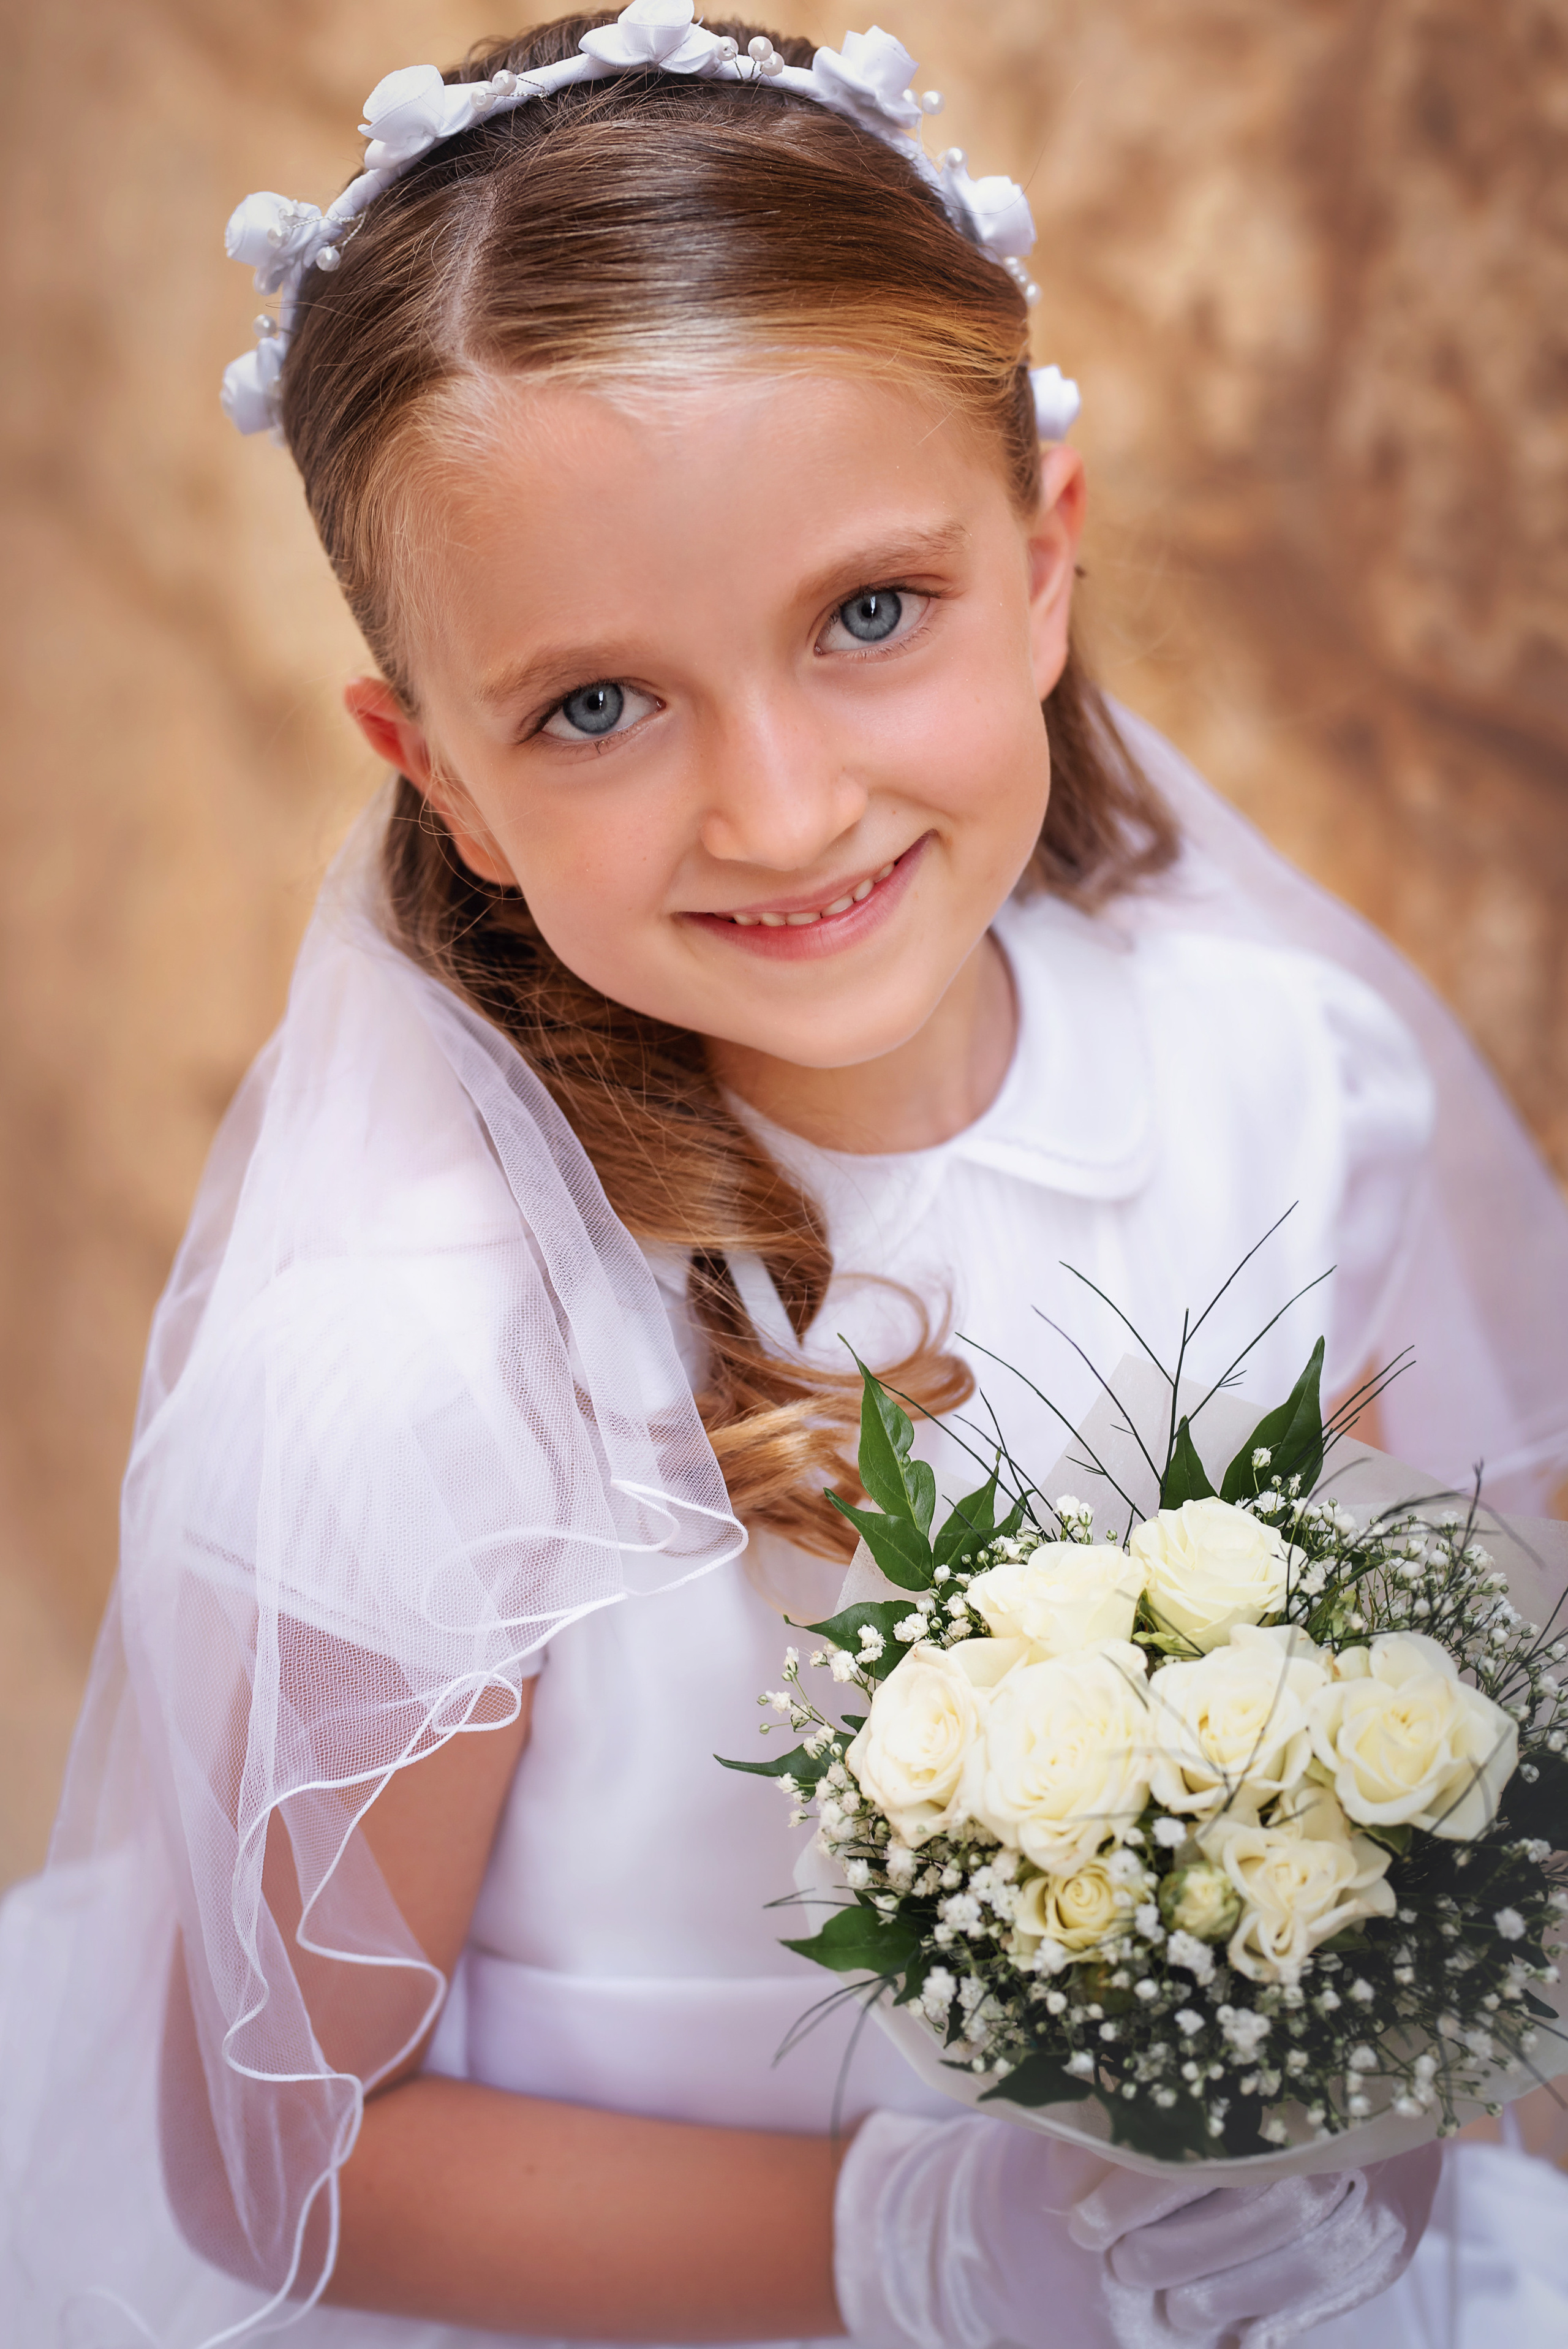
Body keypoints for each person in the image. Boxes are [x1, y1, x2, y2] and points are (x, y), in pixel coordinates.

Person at [2, 10, 1564, 2347]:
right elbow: (267, 2159)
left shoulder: (1290, 1083)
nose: (780, 807)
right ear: (435, 770)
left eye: (865, 614)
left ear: (1041, 564)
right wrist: (923, 2242)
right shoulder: (424, 1354)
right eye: (596, 707)